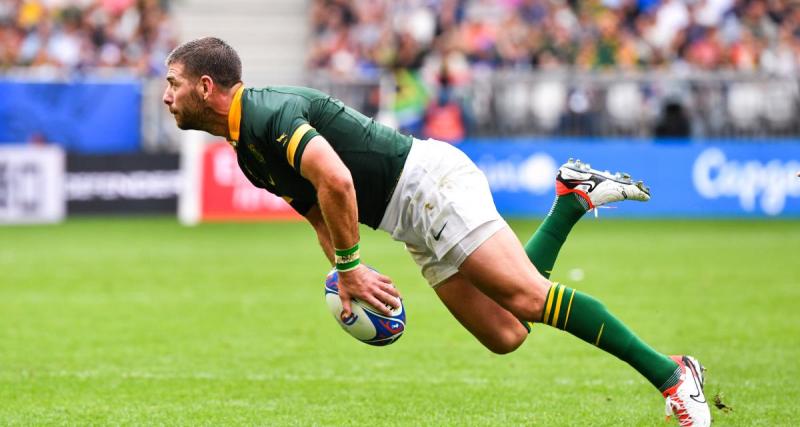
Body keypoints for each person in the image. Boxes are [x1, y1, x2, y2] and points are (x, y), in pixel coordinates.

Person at [162, 37, 711, 426]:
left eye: (173, 84)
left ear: (205, 86)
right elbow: (315, 207)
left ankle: (672, 375)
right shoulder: (248, 155)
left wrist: (351, 267)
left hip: (428, 183)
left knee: (526, 295)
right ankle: (569, 201)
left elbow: (337, 180)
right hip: (411, 219)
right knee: (506, 333)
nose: (166, 96)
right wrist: (343, 271)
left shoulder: (270, 113)